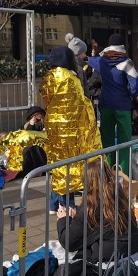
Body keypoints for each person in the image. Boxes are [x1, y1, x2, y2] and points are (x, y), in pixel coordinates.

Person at [40, 46, 102, 213]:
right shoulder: (70, 79)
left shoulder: (48, 78)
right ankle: (69, 207)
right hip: (70, 131)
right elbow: (81, 104)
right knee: (69, 168)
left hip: (54, 129)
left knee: (58, 166)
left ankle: (54, 205)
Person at [56, 158, 138, 275]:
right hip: (134, 246)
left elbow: (69, 243)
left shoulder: (89, 207)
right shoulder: (119, 194)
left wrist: (63, 219)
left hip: (111, 255)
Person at [88, 33, 138, 176]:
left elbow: (88, 60)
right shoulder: (127, 62)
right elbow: (135, 85)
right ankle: (123, 173)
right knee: (125, 141)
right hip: (122, 105)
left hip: (105, 104)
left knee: (106, 140)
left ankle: (108, 171)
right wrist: (130, 95)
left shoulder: (101, 61)